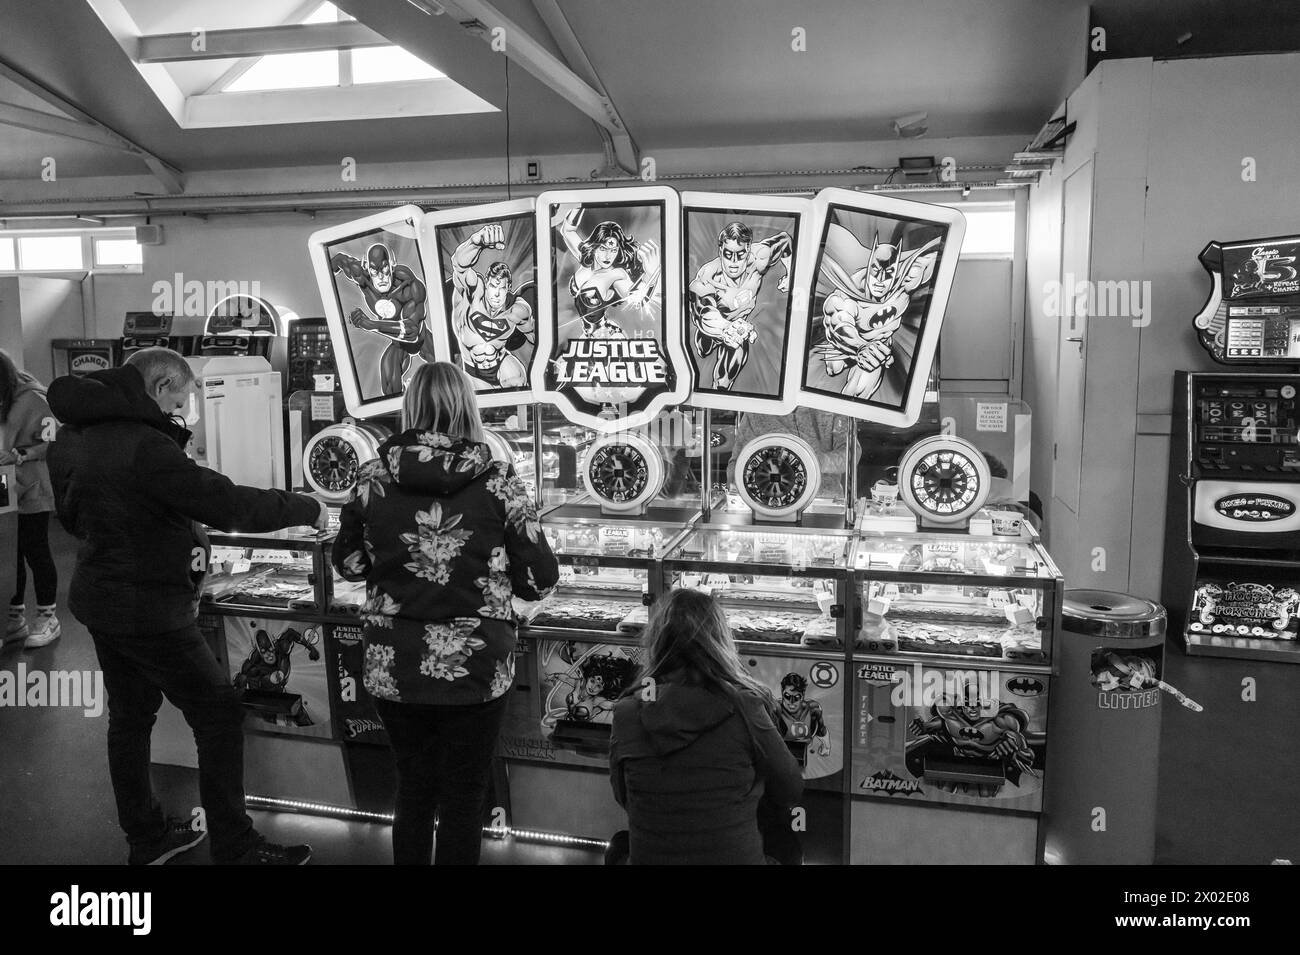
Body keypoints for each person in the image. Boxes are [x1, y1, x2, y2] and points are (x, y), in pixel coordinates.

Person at [46, 347, 328, 866]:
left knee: (129, 720)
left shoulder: (72, 436)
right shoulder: (145, 447)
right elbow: (223, 501)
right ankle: (236, 845)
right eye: (182, 397)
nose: (185, 408)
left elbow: (73, 519)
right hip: (149, 608)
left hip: (100, 598)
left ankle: (148, 839)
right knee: (218, 715)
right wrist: (305, 506)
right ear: (158, 389)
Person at [331, 361, 560, 865]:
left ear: (411, 407)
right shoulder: (499, 481)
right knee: (463, 796)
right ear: (467, 408)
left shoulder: (372, 476)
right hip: (476, 664)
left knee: (412, 790)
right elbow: (540, 577)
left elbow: (348, 564)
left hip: (393, 663)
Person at [608, 588, 804, 865]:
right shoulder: (745, 706)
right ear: (720, 640)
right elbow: (790, 790)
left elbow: (625, 798)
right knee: (786, 840)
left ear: (656, 641)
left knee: (619, 845)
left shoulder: (626, 711)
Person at [0, 350, 60, 649]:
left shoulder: (34, 398)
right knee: (9, 554)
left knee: (35, 550)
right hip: (5, 486)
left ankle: (48, 616)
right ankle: (15, 618)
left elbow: (54, 439)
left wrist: (22, 454)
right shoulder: (6, 397)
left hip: (32, 485)